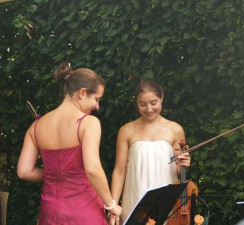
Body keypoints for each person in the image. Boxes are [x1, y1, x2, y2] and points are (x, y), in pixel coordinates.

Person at [17, 62, 121, 225]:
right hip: (83, 211)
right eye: (96, 99)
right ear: (83, 93)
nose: (97, 106)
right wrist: (111, 204)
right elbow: (92, 168)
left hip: (50, 212)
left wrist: (56, 174)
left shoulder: (36, 127)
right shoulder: (88, 123)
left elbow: (24, 171)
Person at [109, 79, 191, 225]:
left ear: (161, 99)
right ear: (137, 103)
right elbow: (120, 170)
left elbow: (178, 171)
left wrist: (183, 164)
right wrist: (113, 206)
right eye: (142, 104)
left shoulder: (175, 129)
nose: (148, 109)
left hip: (166, 201)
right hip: (136, 197)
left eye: (153, 103)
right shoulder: (127, 130)